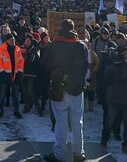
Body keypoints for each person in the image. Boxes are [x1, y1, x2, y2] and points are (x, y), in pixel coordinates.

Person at [41, 19, 89, 162]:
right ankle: (78, 153)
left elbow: (45, 63)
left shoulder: (55, 45)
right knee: (77, 121)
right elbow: (86, 66)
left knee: (61, 121)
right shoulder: (81, 46)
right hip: (76, 88)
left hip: (59, 86)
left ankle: (59, 154)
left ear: (61, 29)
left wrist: (57, 71)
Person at [100, 45, 127, 157]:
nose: (126, 56)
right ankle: (104, 140)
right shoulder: (112, 65)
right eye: (124, 54)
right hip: (114, 99)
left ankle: (126, 145)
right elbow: (106, 79)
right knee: (109, 122)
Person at [0, 33, 24, 119]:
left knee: (15, 94)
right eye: (11, 40)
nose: (13, 41)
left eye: (14, 40)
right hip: (5, 74)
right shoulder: (1, 48)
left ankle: (16, 111)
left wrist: (20, 72)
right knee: (2, 94)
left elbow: (21, 61)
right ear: (7, 41)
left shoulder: (17, 49)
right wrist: (2, 71)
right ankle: (0, 110)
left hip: (15, 74)